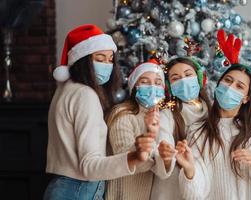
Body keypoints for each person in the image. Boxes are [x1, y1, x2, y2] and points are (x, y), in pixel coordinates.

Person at [177, 30, 251, 200]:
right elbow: (194, 194)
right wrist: (189, 170)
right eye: (228, 81)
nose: (230, 87)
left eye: (239, 86)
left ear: (246, 98)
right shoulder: (198, 131)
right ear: (219, 84)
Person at [44, 24, 155, 200]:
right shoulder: (85, 95)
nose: (107, 65)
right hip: (79, 189)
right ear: (83, 60)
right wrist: (134, 157)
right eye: (100, 58)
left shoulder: (66, 89)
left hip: (62, 186)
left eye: (110, 59)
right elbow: (89, 166)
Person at [105, 60, 176, 200]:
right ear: (134, 87)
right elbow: (126, 159)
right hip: (122, 194)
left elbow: (161, 168)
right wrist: (150, 134)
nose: (152, 87)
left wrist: (166, 159)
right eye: (144, 82)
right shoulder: (122, 113)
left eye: (157, 83)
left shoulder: (164, 117)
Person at [150, 57, 211, 200]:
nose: (183, 81)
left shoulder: (214, 114)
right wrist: (167, 154)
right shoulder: (167, 115)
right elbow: (163, 145)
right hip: (170, 192)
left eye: (188, 75)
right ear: (170, 87)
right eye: (175, 78)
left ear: (199, 78)